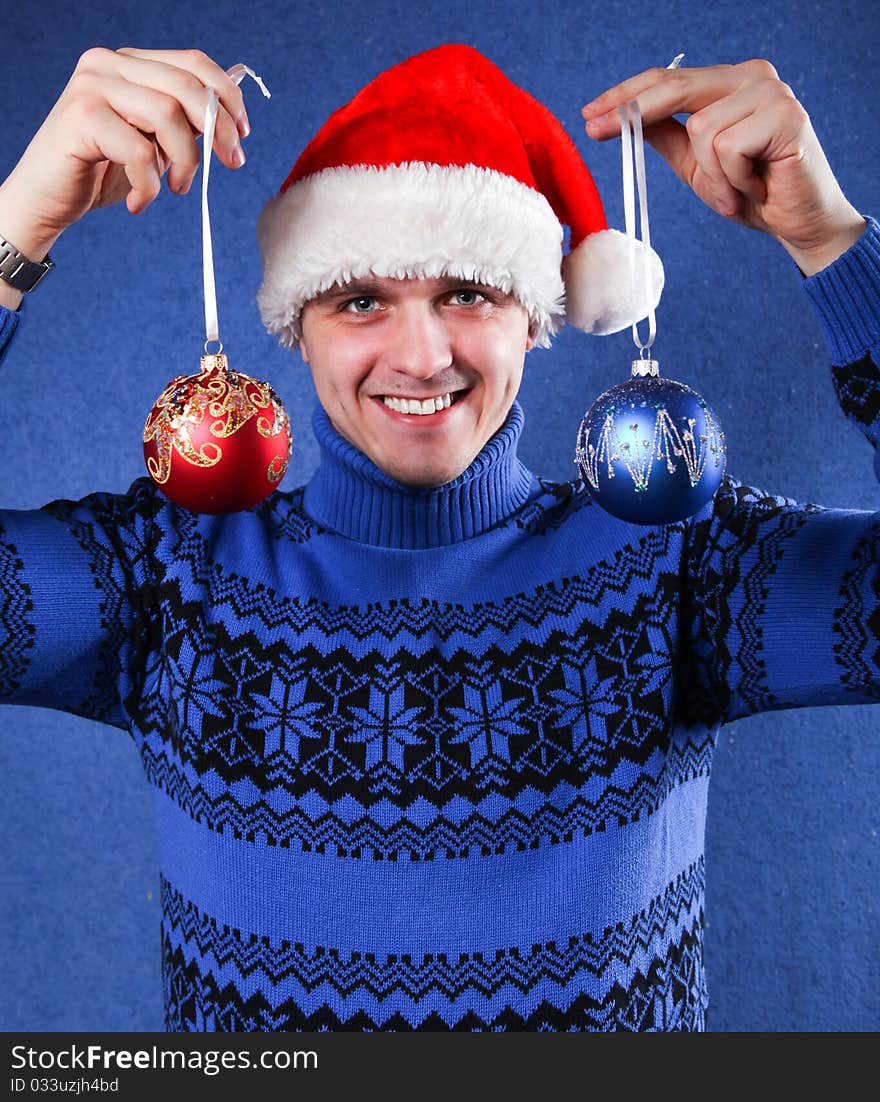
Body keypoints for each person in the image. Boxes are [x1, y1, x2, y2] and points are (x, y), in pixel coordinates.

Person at [0, 42, 875, 1033]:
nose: (421, 357)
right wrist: (13, 230)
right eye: (360, 298)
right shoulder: (164, 574)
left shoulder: (676, 562)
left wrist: (831, 242)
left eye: (465, 290)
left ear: (537, 319)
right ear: (298, 327)